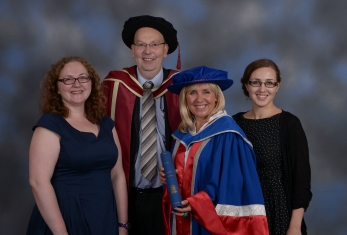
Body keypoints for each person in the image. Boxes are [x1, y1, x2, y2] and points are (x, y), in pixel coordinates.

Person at [161, 66, 269, 235]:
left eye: (206, 92)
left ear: (217, 97)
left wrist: (197, 203)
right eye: (192, 93)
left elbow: (233, 185)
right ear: (184, 98)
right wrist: (169, 178)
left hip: (209, 224)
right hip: (181, 219)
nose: (199, 99)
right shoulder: (182, 135)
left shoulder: (228, 135)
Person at [26, 56, 128, 235]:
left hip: (105, 218)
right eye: (68, 79)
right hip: (66, 220)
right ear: (56, 88)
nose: (77, 84)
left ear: (91, 82)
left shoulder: (105, 123)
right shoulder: (50, 125)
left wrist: (122, 225)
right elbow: (38, 182)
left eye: (83, 77)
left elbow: (118, 176)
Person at [101, 15, 181, 235]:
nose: (148, 51)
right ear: (132, 50)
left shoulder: (183, 87)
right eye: (141, 45)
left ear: (165, 50)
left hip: (170, 196)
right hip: (125, 196)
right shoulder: (113, 85)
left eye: (154, 45)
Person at [232, 58, 312, 235]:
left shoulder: (289, 124)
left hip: (279, 211)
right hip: (242, 211)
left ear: (278, 86)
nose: (262, 89)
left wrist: (295, 226)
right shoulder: (233, 124)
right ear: (246, 85)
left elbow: (301, 181)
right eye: (256, 82)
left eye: (269, 83)